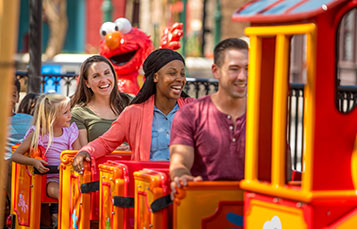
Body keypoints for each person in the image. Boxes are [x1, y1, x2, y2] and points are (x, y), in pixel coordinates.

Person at [72, 48, 194, 172]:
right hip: (148, 183)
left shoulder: (195, 110)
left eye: (182, 74)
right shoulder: (134, 112)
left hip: (187, 183)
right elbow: (105, 142)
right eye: (172, 73)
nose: (180, 79)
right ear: (155, 77)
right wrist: (86, 152)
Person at [169, 38, 249, 193]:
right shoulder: (190, 114)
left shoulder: (266, 116)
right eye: (234, 69)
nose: (242, 76)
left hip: (256, 209)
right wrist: (182, 177)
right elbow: (179, 163)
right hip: (206, 206)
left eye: (248, 68)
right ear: (216, 71)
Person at [12, 93, 81, 226]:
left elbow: (78, 154)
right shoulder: (38, 134)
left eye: (69, 111)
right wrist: (34, 162)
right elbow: (16, 155)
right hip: (50, 179)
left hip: (69, 176)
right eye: (66, 112)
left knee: (81, 193)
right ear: (52, 117)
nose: (70, 115)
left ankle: (72, 222)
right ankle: (66, 223)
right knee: (63, 193)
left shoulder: (70, 132)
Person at [71, 55, 131, 148]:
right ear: (87, 83)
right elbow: (82, 155)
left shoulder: (131, 102)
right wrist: (110, 151)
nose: (103, 80)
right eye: (96, 76)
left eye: (107, 73)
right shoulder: (78, 113)